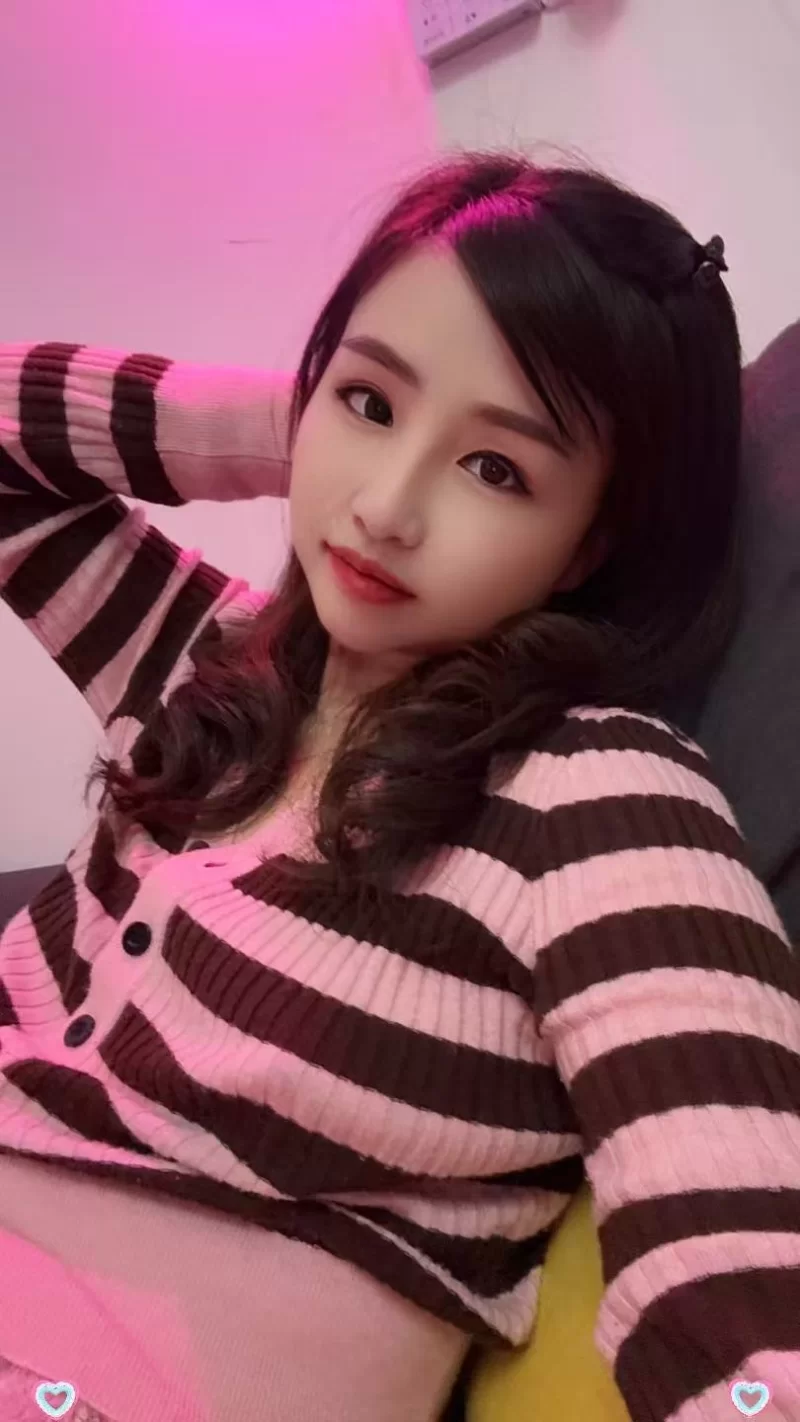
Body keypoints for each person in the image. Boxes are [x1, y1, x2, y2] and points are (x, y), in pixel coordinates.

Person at [0, 152, 798, 1422]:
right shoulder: (208, 659)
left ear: (589, 542)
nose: (383, 509)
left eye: (497, 470)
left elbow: (735, 1267)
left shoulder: (598, 793)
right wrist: (304, 420)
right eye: (368, 404)